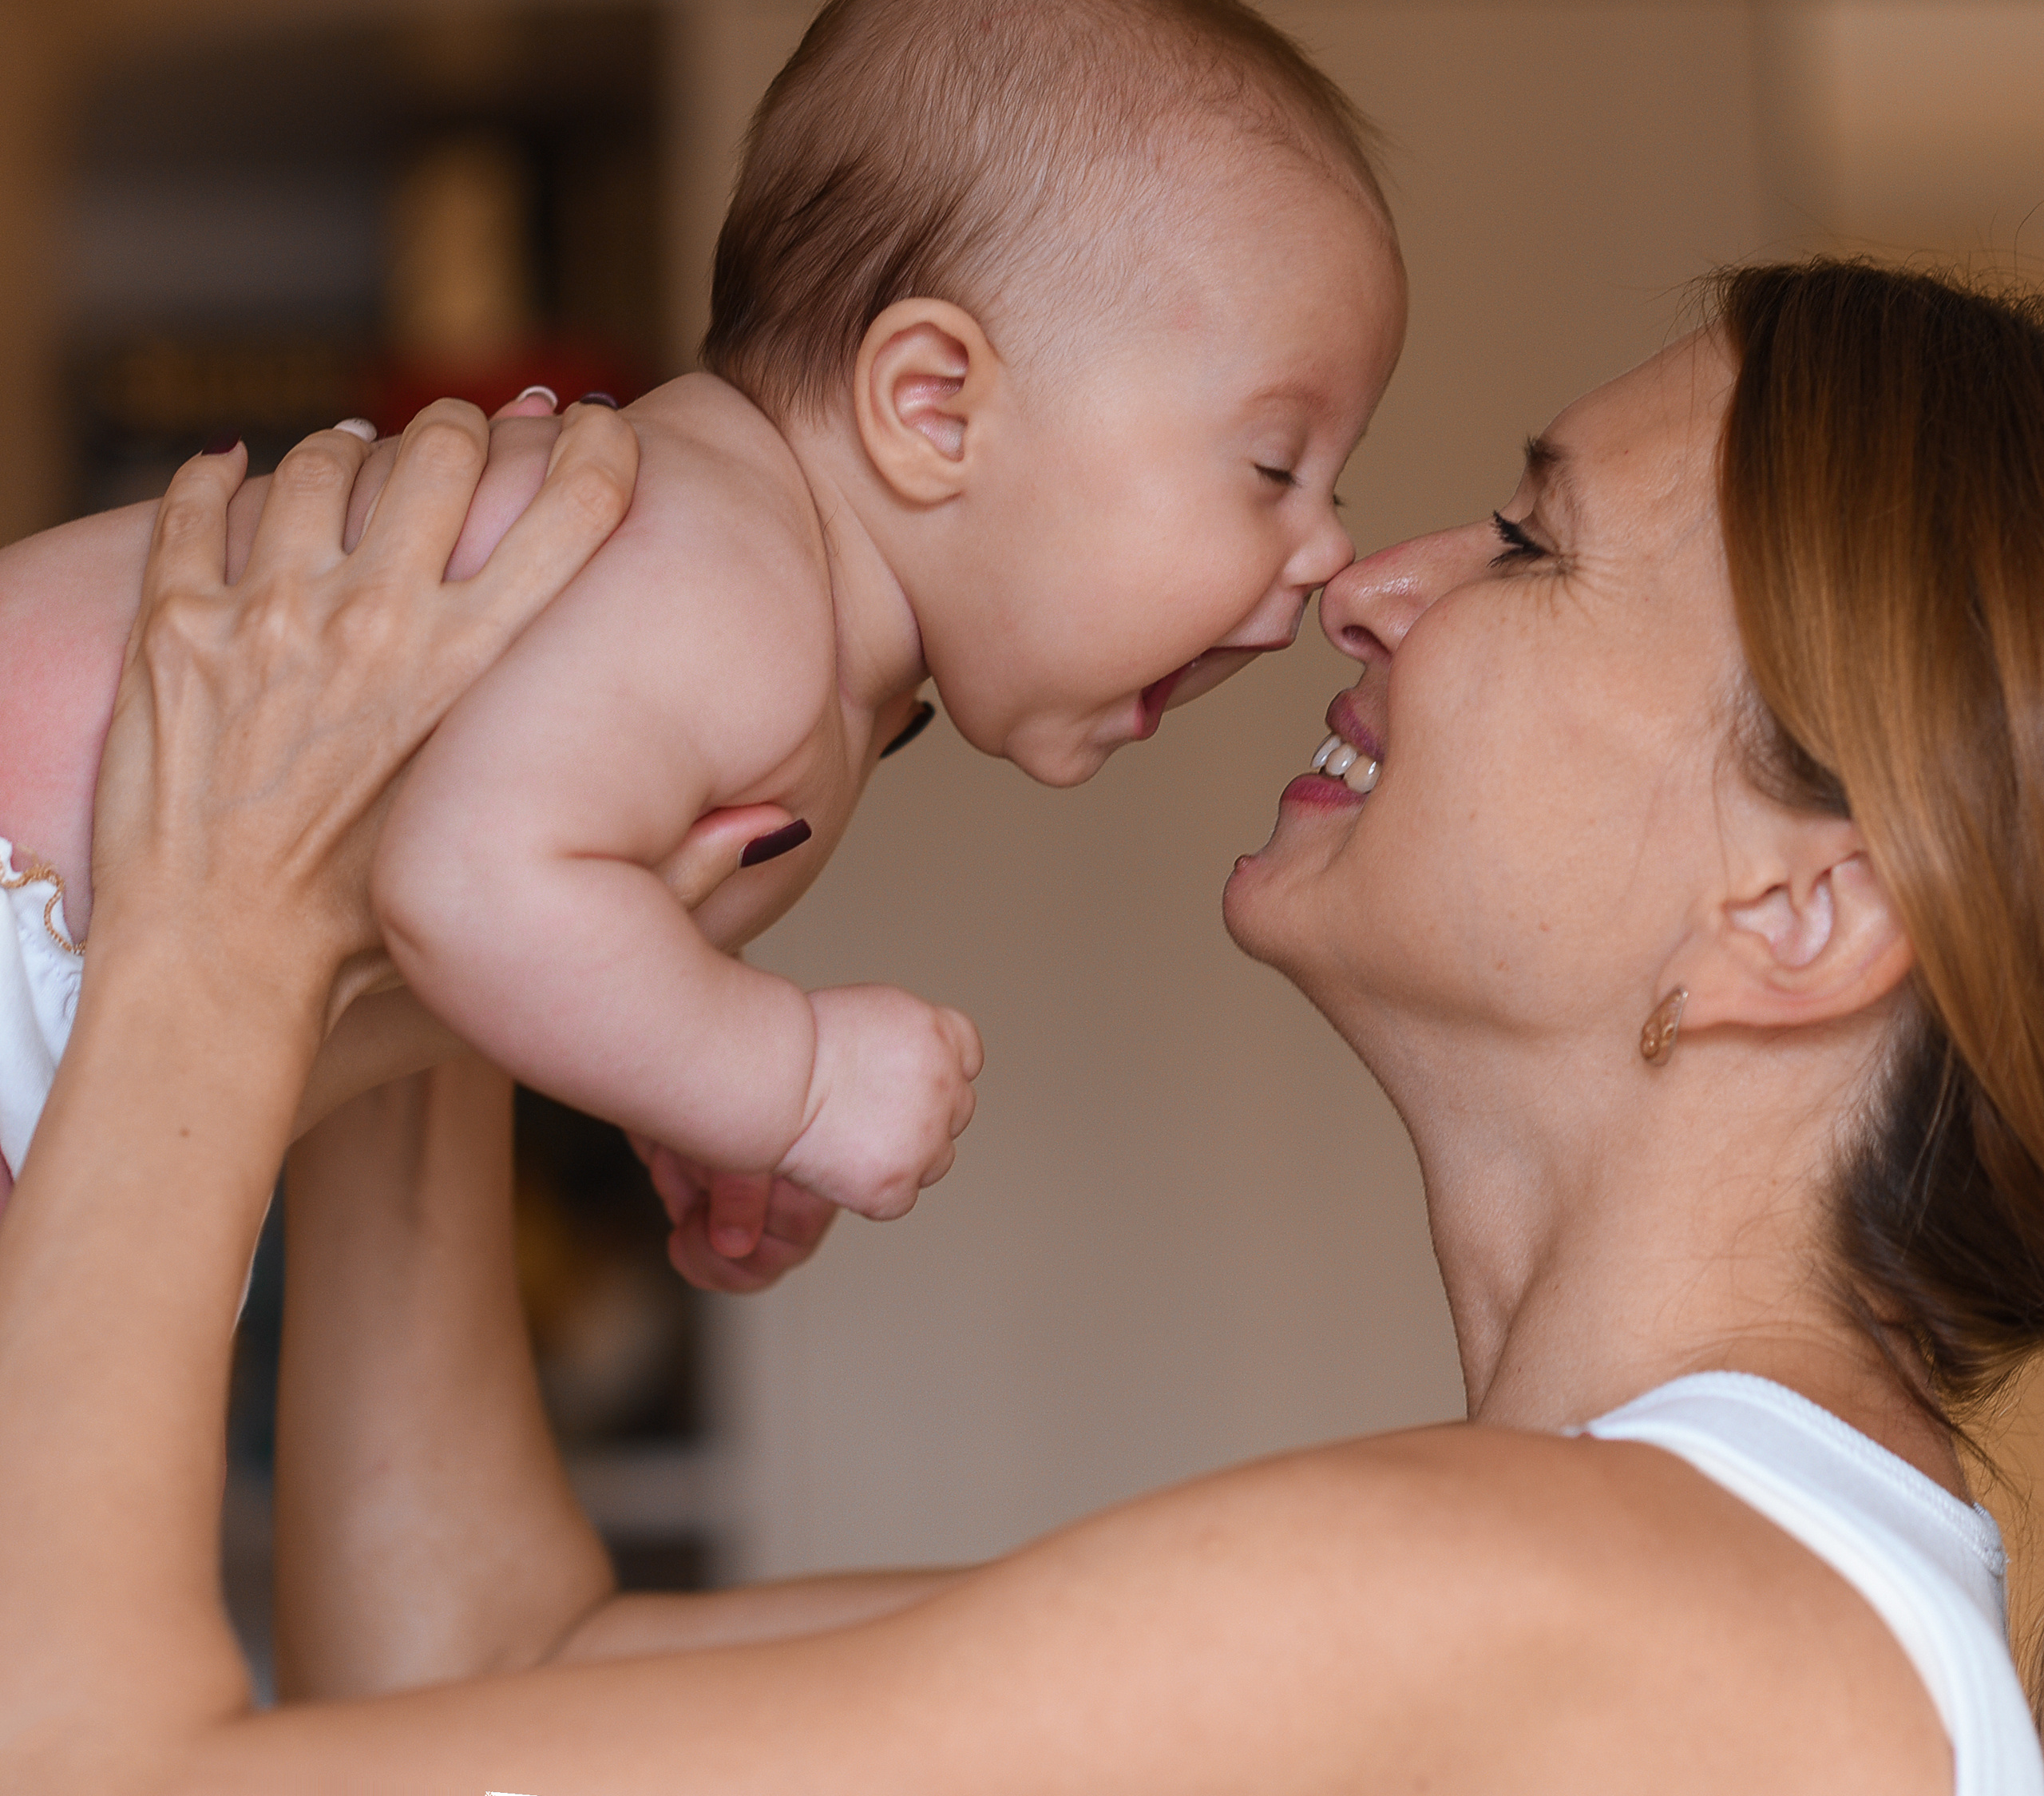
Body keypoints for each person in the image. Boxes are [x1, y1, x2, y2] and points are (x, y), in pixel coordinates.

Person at [6, 254, 2042, 1793]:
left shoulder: (1582, 1596)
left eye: (1526, 544)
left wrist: (212, 933)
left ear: (1800, 904)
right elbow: (485, 1666)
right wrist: (478, 811)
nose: (1369, 585)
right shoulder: (1644, 1591)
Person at [0, 0, 1402, 1247]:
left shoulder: (786, 619)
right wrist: (783, 1077)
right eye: (1274, 466)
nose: (1328, 549)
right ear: (933, 406)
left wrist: (667, 1070)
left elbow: (507, 877)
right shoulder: (729, 576)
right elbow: (468, 885)